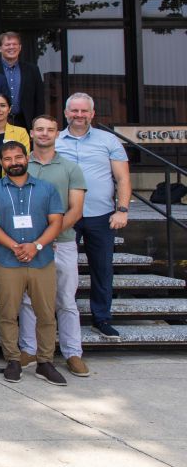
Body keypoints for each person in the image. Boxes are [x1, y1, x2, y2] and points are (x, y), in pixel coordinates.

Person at [0, 141, 67, 385]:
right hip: (8, 261)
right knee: (8, 313)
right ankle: (13, 360)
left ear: (26, 158)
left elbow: (56, 222)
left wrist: (35, 246)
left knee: (47, 314)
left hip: (42, 260)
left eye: (18, 157)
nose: (13, 162)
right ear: (1, 163)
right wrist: (15, 246)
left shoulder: (46, 188)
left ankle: (45, 362)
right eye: (7, 159)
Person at [19, 115, 90, 376]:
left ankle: (73, 353)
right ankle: (29, 349)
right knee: (27, 300)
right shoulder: (21, 165)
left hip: (62, 243)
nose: (45, 134)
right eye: (39, 129)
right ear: (31, 133)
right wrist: (33, 243)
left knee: (66, 300)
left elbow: (76, 209)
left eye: (50, 130)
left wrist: (46, 238)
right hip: (27, 245)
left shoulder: (71, 168)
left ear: (57, 134)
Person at [56, 92, 131, 338]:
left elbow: (123, 178)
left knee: (102, 269)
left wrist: (122, 210)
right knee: (63, 271)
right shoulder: (55, 141)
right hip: (65, 216)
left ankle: (101, 318)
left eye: (83, 111)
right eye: (74, 111)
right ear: (66, 113)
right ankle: (62, 317)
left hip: (101, 215)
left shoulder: (108, 140)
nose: (79, 115)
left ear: (92, 113)